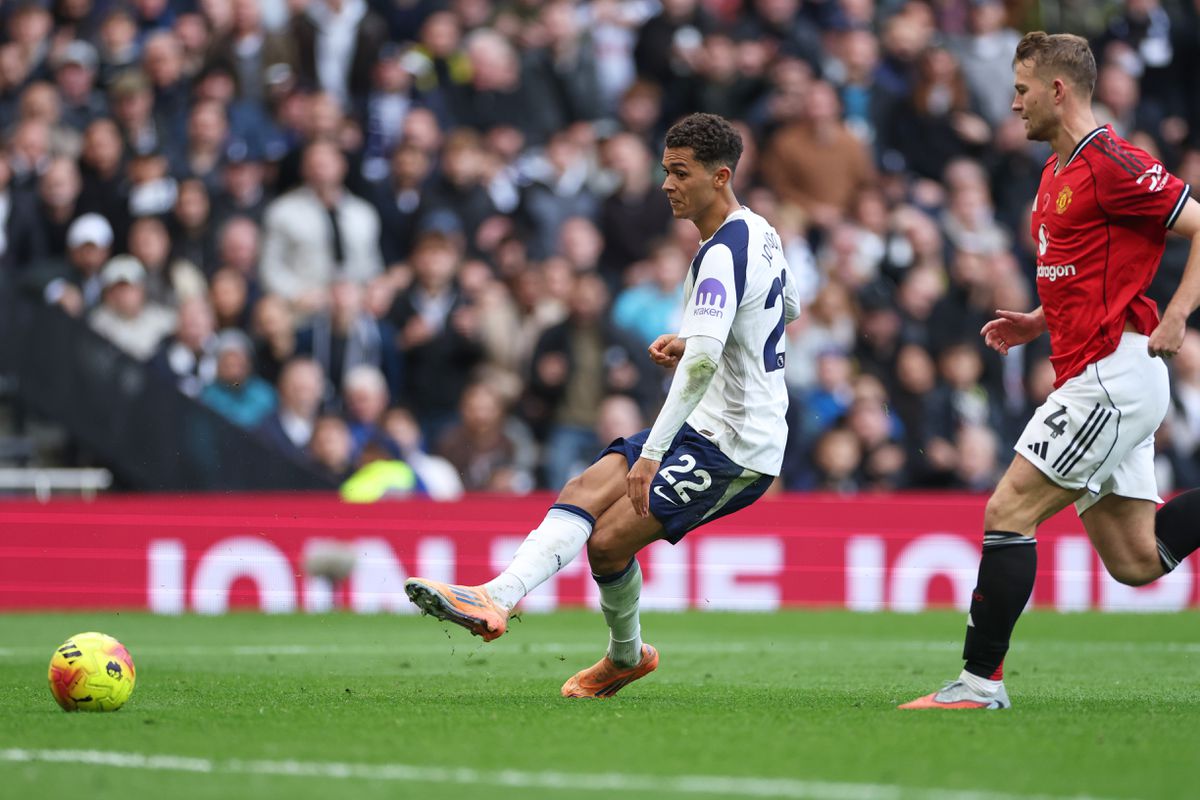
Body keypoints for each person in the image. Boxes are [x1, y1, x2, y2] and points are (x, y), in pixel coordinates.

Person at [404, 113, 801, 698]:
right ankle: (497, 596)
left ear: (719, 177)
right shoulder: (761, 232)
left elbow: (701, 367)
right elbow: (785, 306)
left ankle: (625, 656)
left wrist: (657, 443)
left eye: (680, 173)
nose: (666, 184)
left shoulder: (720, 254)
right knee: (583, 488)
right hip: (710, 422)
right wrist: (702, 335)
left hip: (739, 447)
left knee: (609, 541)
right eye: (664, 170)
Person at [901, 32, 1200, 711]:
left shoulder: (1115, 162)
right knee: (1135, 562)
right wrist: (1041, 320)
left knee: (1008, 509)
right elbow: (1087, 266)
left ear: (1057, 90)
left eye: (1022, 90)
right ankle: (978, 686)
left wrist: (1179, 314)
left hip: (1117, 371)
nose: (1013, 104)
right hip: (1091, 367)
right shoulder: (1056, 170)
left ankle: (978, 685)